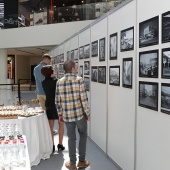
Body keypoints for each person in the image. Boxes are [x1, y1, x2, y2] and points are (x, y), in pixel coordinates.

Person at [56, 60, 90, 170]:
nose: (76, 69)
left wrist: (60, 114)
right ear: (73, 69)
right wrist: (87, 113)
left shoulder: (59, 82)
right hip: (80, 115)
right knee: (83, 135)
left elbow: (57, 101)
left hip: (67, 115)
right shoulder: (79, 80)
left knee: (71, 139)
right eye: (76, 67)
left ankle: (72, 163)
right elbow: (84, 99)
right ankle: (82, 161)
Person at [41, 65, 65, 152]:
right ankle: (60, 144)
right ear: (51, 72)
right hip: (59, 105)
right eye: (53, 70)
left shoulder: (43, 82)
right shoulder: (57, 81)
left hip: (49, 105)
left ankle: (52, 145)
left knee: (50, 127)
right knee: (61, 125)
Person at [34, 54, 58, 135]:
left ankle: (45, 129)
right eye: (49, 61)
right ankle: (50, 129)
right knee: (50, 113)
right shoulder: (47, 69)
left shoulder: (35, 68)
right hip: (47, 93)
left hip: (39, 93)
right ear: (47, 60)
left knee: (44, 112)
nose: (49, 62)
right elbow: (52, 80)